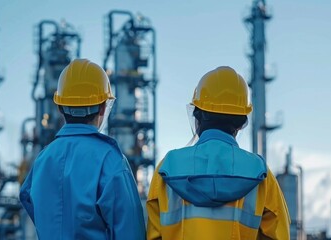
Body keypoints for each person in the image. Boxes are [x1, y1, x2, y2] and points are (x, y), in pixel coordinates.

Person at [146, 66, 290, 240]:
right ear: (240, 123)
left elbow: (152, 235)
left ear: (198, 118)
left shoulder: (167, 168)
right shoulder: (261, 174)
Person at [20, 59, 146, 239]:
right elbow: (130, 231)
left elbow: (27, 199)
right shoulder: (110, 159)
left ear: (60, 107)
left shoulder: (42, 159)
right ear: (103, 107)